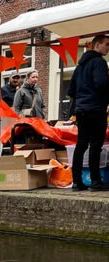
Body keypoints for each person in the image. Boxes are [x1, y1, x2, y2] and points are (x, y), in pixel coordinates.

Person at [67, 34, 109, 191]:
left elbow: (71, 90)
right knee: (96, 145)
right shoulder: (99, 62)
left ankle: (77, 181)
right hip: (96, 109)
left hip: (81, 110)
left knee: (81, 144)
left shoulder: (80, 66)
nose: (108, 48)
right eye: (106, 44)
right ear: (97, 45)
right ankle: (96, 181)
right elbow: (102, 84)